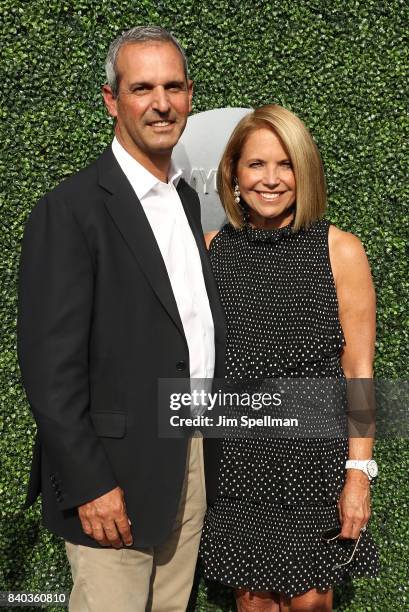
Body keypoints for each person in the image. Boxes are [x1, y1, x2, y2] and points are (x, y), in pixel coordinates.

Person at [17, 25, 225, 612]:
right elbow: (49, 371)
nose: (161, 103)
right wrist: (90, 484)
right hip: (112, 480)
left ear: (189, 95)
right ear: (112, 100)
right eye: (142, 88)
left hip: (187, 460)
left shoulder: (185, 202)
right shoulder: (70, 210)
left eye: (174, 86)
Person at [200, 104, 379, 611]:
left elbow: (358, 373)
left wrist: (358, 474)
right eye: (257, 164)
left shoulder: (340, 250)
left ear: (305, 173)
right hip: (237, 464)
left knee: (308, 605)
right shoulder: (212, 252)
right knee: (252, 604)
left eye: (286, 165)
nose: (272, 180)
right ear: (233, 173)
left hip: (314, 465)